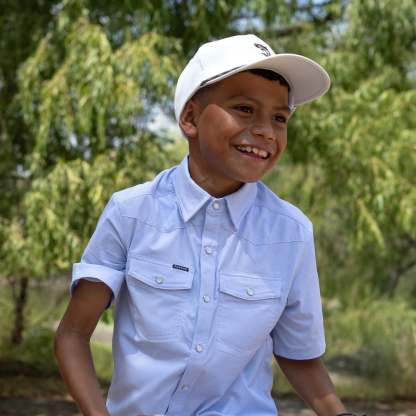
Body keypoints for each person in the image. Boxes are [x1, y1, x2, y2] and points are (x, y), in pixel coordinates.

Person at [54, 34, 360, 416]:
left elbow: (298, 356)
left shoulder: (291, 233)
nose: (266, 131)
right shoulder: (131, 212)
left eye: (279, 118)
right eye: (245, 109)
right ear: (191, 118)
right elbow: (72, 334)